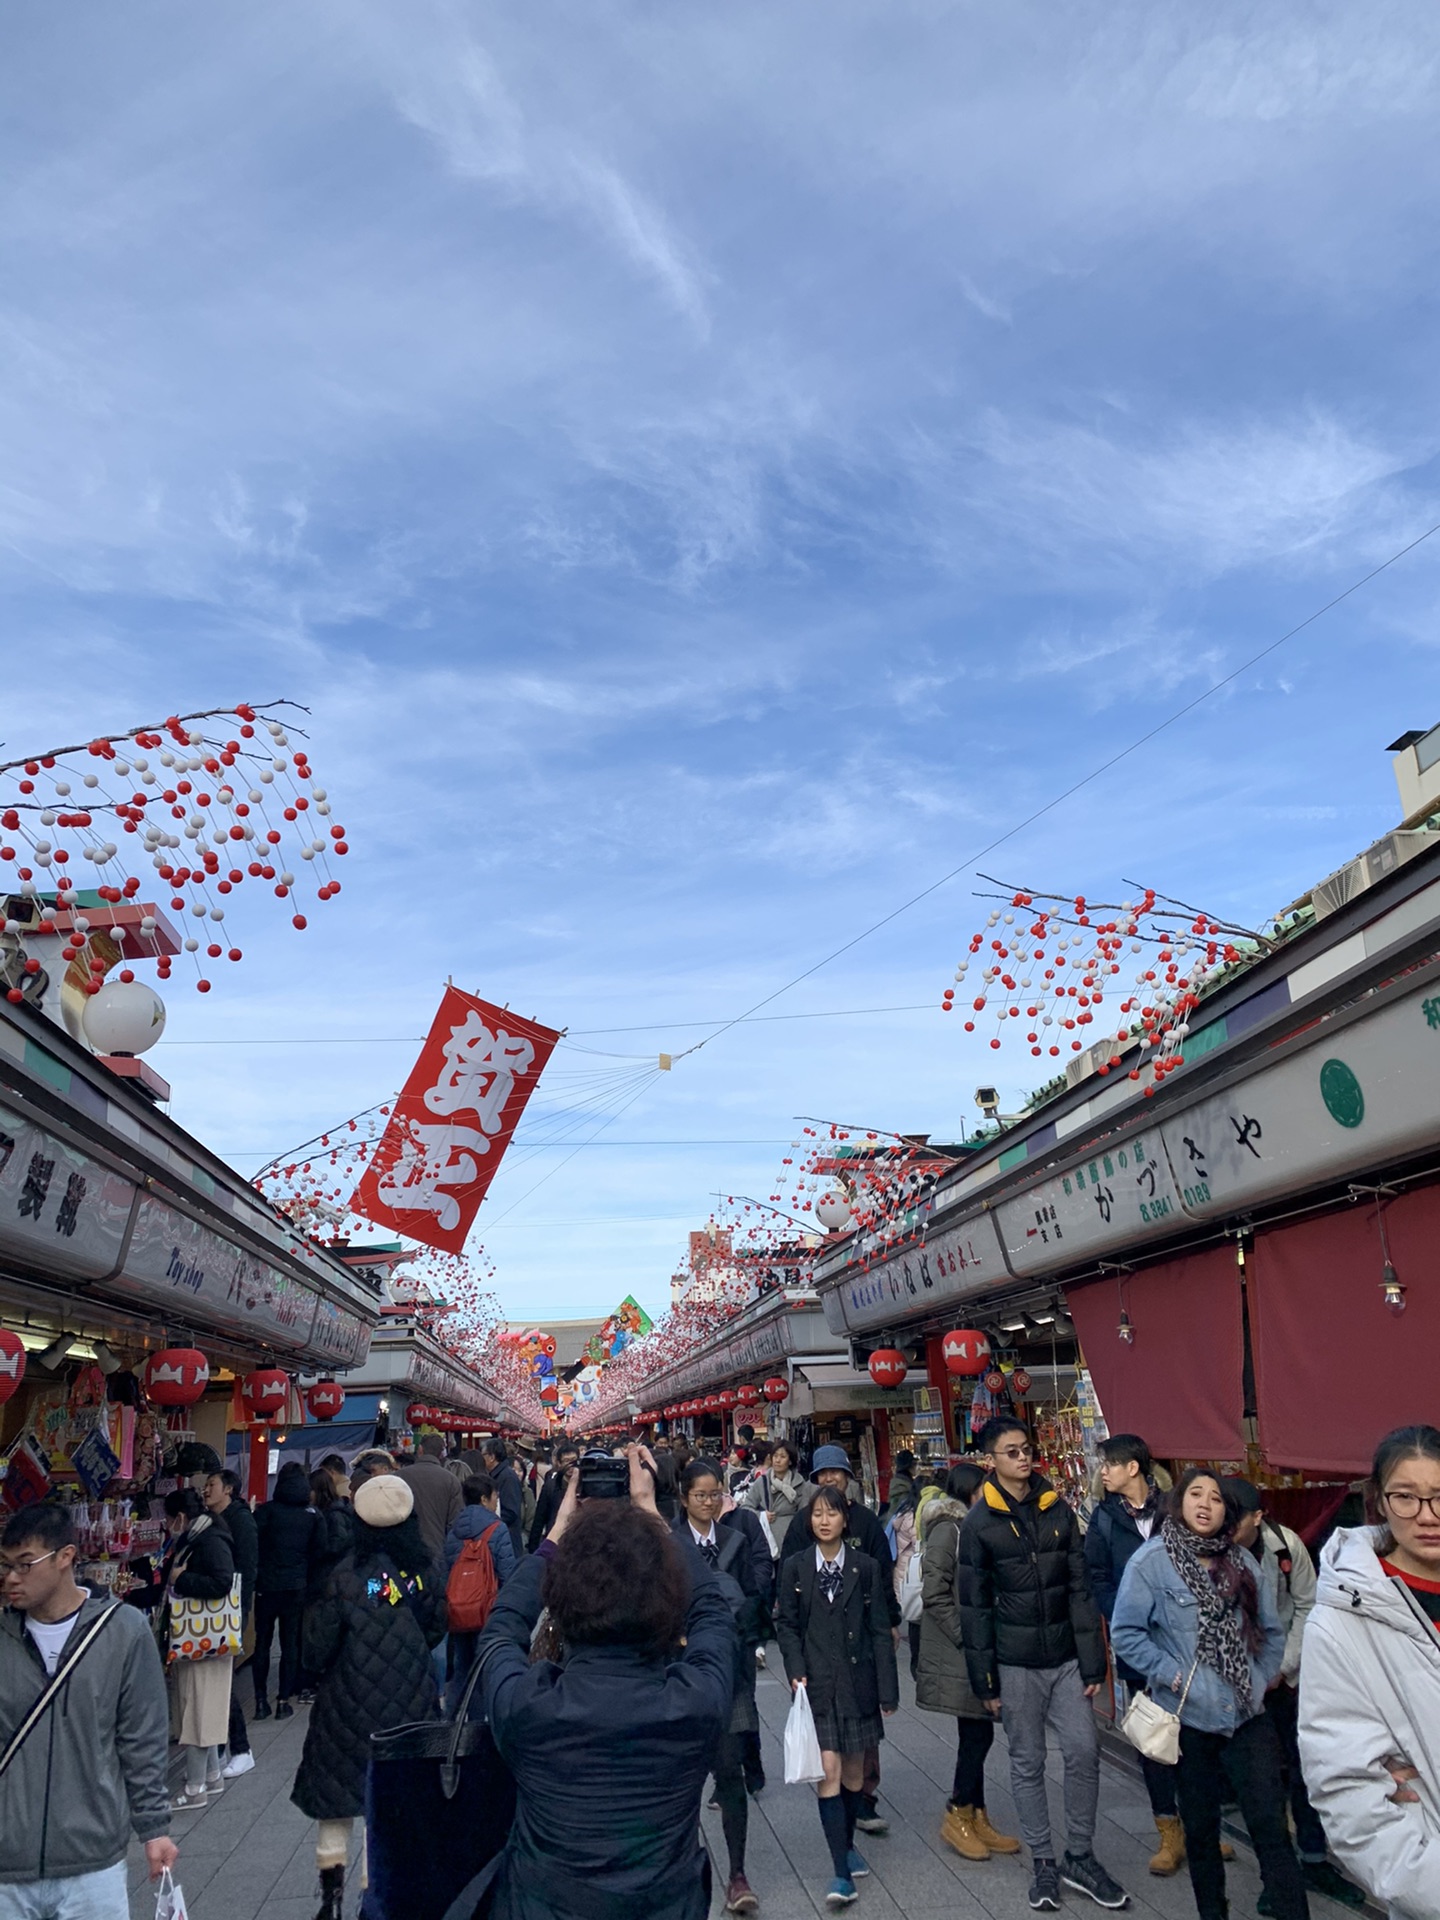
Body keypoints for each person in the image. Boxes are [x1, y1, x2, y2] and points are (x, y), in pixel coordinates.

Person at [471, 1444, 735, 1920]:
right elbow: (713, 1612)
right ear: (663, 1606)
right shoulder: (696, 1704)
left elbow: (501, 1626)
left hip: (543, 1905)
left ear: (562, 1606)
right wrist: (653, 1515)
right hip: (665, 1904)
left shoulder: (527, 1706)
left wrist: (556, 1535)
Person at [1112, 1468, 1306, 1920]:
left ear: (1228, 1512)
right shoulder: (1151, 1562)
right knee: (1201, 1832)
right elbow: (1126, 1632)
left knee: (1271, 1829)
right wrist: (1172, 1674)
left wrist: (1260, 1681)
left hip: (1246, 1715)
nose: (1205, 1504)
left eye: (1216, 1499)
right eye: (1195, 1494)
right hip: (1189, 1719)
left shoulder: (1243, 1564)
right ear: (1179, 1503)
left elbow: (1272, 1631)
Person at [959, 1416, 1125, 1913]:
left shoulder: (1056, 1506)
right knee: (1027, 1761)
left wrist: (1094, 1663)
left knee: (1083, 1750)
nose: (1023, 1457)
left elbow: (1080, 1588)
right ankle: (1045, 1862)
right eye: (1011, 1452)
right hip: (1014, 1662)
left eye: (1026, 1448)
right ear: (991, 1461)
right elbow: (975, 1607)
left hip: (1067, 1659)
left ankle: (1080, 1853)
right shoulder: (978, 1523)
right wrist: (985, 1679)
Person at [0, 1504, 177, 1917]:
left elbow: (142, 1739)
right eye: (5, 1565)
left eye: (25, 1565)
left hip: (92, 1862)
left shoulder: (124, 1631)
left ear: (66, 1558)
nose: (10, 1578)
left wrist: (154, 1829)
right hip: (7, 1863)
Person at [1299, 1422, 1440, 1918]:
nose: (1427, 1516)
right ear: (1377, 1499)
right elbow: (1349, 1791)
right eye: (1407, 1496)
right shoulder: (1342, 1620)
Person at [292, 1473, 446, 1920]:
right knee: (389, 1804)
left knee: (337, 1803)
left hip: (346, 1700)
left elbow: (316, 1648)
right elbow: (437, 1626)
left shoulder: (341, 1577)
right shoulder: (422, 1572)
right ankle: (373, 1895)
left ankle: (330, 1898)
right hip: (409, 1700)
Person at [1225, 1479, 1363, 1910]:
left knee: (1307, 1770)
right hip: (1240, 1687)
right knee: (1261, 1785)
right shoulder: (1207, 1553)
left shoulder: (1285, 1547)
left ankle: (1315, 1858)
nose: (1226, 1529)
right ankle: (1276, 1877)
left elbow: (1308, 1604)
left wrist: (1284, 1667)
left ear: (1258, 1517)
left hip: (1290, 1678)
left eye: (1236, 1521)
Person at [777, 1485, 899, 1909]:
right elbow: (787, 1626)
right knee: (827, 1770)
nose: (823, 1521)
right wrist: (795, 1670)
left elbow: (881, 1630)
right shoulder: (794, 1568)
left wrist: (888, 1689)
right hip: (817, 1685)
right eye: (816, 1514)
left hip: (858, 1680)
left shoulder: (865, 1568)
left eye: (831, 1514)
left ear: (846, 1520)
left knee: (852, 1774)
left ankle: (846, 1844)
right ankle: (840, 1871)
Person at [1084, 1433, 1185, 1876]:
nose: (1102, 1472)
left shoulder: (1177, 1508)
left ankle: (1203, 1825)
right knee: (1153, 1738)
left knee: (1196, 1736)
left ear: (1134, 1468)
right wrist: (1126, 1618)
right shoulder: (1103, 1518)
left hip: (1185, 1643)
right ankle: (1168, 1830)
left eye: (1109, 1464)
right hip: (1137, 1646)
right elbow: (1097, 1578)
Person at [915, 1462, 1019, 1863]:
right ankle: (959, 1813)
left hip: (980, 1647)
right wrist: (968, 1635)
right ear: (968, 1491)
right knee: (976, 1734)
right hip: (962, 1652)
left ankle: (976, 1815)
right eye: (984, 1488)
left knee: (980, 1733)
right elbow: (934, 1592)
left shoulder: (976, 1527)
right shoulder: (949, 1529)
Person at [671, 1459, 762, 1913]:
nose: (709, 1502)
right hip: (681, 1674)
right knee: (680, 1778)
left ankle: (738, 1872)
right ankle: (678, 1865)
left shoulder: (737, 1541)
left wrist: (745, 1631)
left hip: (730, 1674)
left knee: (730, 1773)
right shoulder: (666, 1543)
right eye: (700, 1495)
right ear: (683, 1497)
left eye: (715, 1494)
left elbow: (753, 1595)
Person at [161, 1487, 237, 1812]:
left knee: (197, 1710)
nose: (167, 1527)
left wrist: (182, 1579)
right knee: (202, 1708)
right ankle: (212, 1774)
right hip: (205, 1641)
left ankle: (195, 1788)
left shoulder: (208, 1540)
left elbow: (222, 1583)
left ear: (180, 1517)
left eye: (168, 1519)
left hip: (204, 1640)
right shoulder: (203, 1535)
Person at [202, 1467, 260, 1781]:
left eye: (211, 1484)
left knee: (222, 1679)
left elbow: (247, 1568)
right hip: (210, 1611)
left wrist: (239, 1607)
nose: (205, 1489)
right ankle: (222, 1746)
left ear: (228, 1489)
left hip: (229, 1609)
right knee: (214, 1680)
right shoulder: (211, 1519)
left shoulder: (241, 1521)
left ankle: (240, 1749)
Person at [253, 1459, 321, 1721]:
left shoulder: (266, 1512)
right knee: (290, 1643)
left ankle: (260, 1701)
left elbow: (253, 1543)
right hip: (296, 1585)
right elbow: (321, 1548)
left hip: (266, 1585)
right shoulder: (311, 1514)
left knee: (263, 1641)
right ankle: (283, 1700)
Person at [443, 1471, 518, 1710]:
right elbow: (507, 1571)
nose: (497, 1501)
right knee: (487, 1664)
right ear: (485, 1499)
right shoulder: (497, 1529)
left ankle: (456, 1718)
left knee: (461, 1664)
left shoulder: (454, 1531)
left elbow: (447, 1568)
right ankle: (482, 1719)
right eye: (495, 1496)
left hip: (458, 1608)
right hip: (488, 1608)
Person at [396, 1433, 464, 1562]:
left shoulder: (400, 1476)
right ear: (441, 1453)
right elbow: (455, 1522)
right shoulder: (451, 1480)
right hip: (437, 1550)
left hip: (404, 1549)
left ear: (420, 1449)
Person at [742, 1441, 806, 1537]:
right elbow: (745, 1507)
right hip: (765, 1535)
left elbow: (804, 1514)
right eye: (775, 1456)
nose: (777, 1460)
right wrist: (761, 1516)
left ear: (790, 1461)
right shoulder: (762, 1481)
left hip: (790, 1536)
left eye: (782, 1457)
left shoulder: (798, 1483)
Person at [526, 1442, 579, 1551]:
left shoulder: (585, 1484)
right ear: (559, 1463)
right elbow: (539, 1519)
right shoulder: (551, 1486)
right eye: (566, 1461)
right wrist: (533, 1548)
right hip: (556, 1541)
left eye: (574, 1460)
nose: (571, 1465)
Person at [480, 1436, 525, 1561]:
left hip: (508, 1542)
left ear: (492, 1457)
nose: (482, 1459)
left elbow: (510, 1512)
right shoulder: (497, 1475)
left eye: (483, 1455)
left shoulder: (507, 1477)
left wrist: (487, 1521)